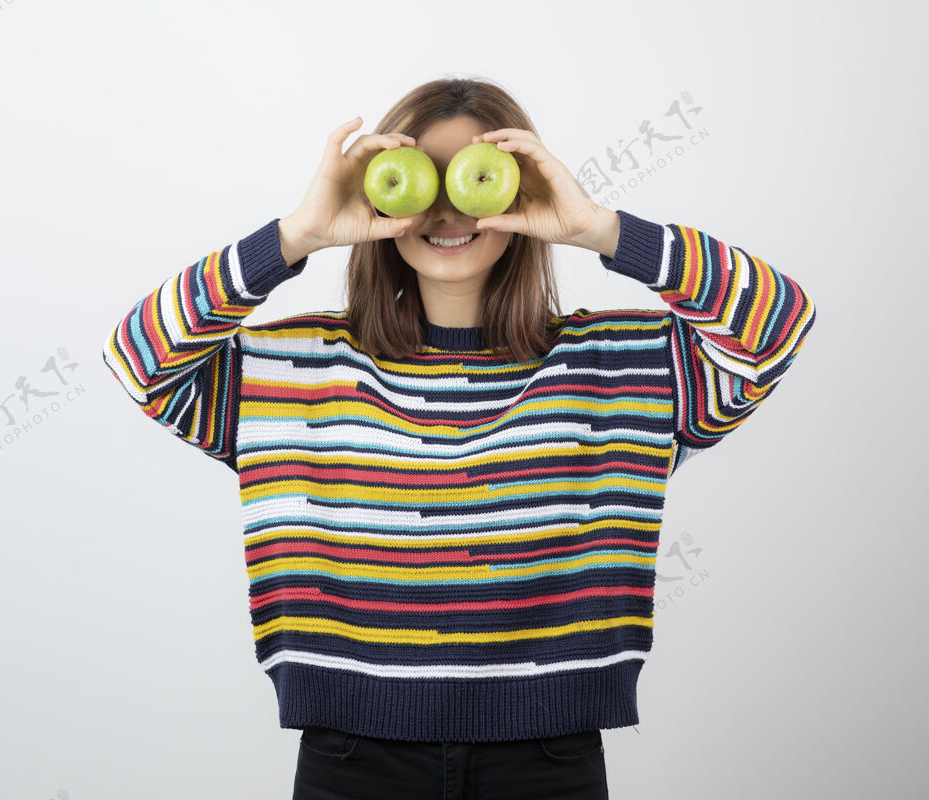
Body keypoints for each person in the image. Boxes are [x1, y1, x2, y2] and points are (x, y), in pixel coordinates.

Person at [102, 77, 816, 800]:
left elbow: (777, 325)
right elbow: (139, 358)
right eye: (422, 181)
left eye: (469, 178)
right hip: (351, 760)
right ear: (381, 197)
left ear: (521, 189)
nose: (445, 207)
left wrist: (600, 228)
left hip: (549, 761)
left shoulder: (620, 364)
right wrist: (294, 237)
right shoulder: (296, 367)